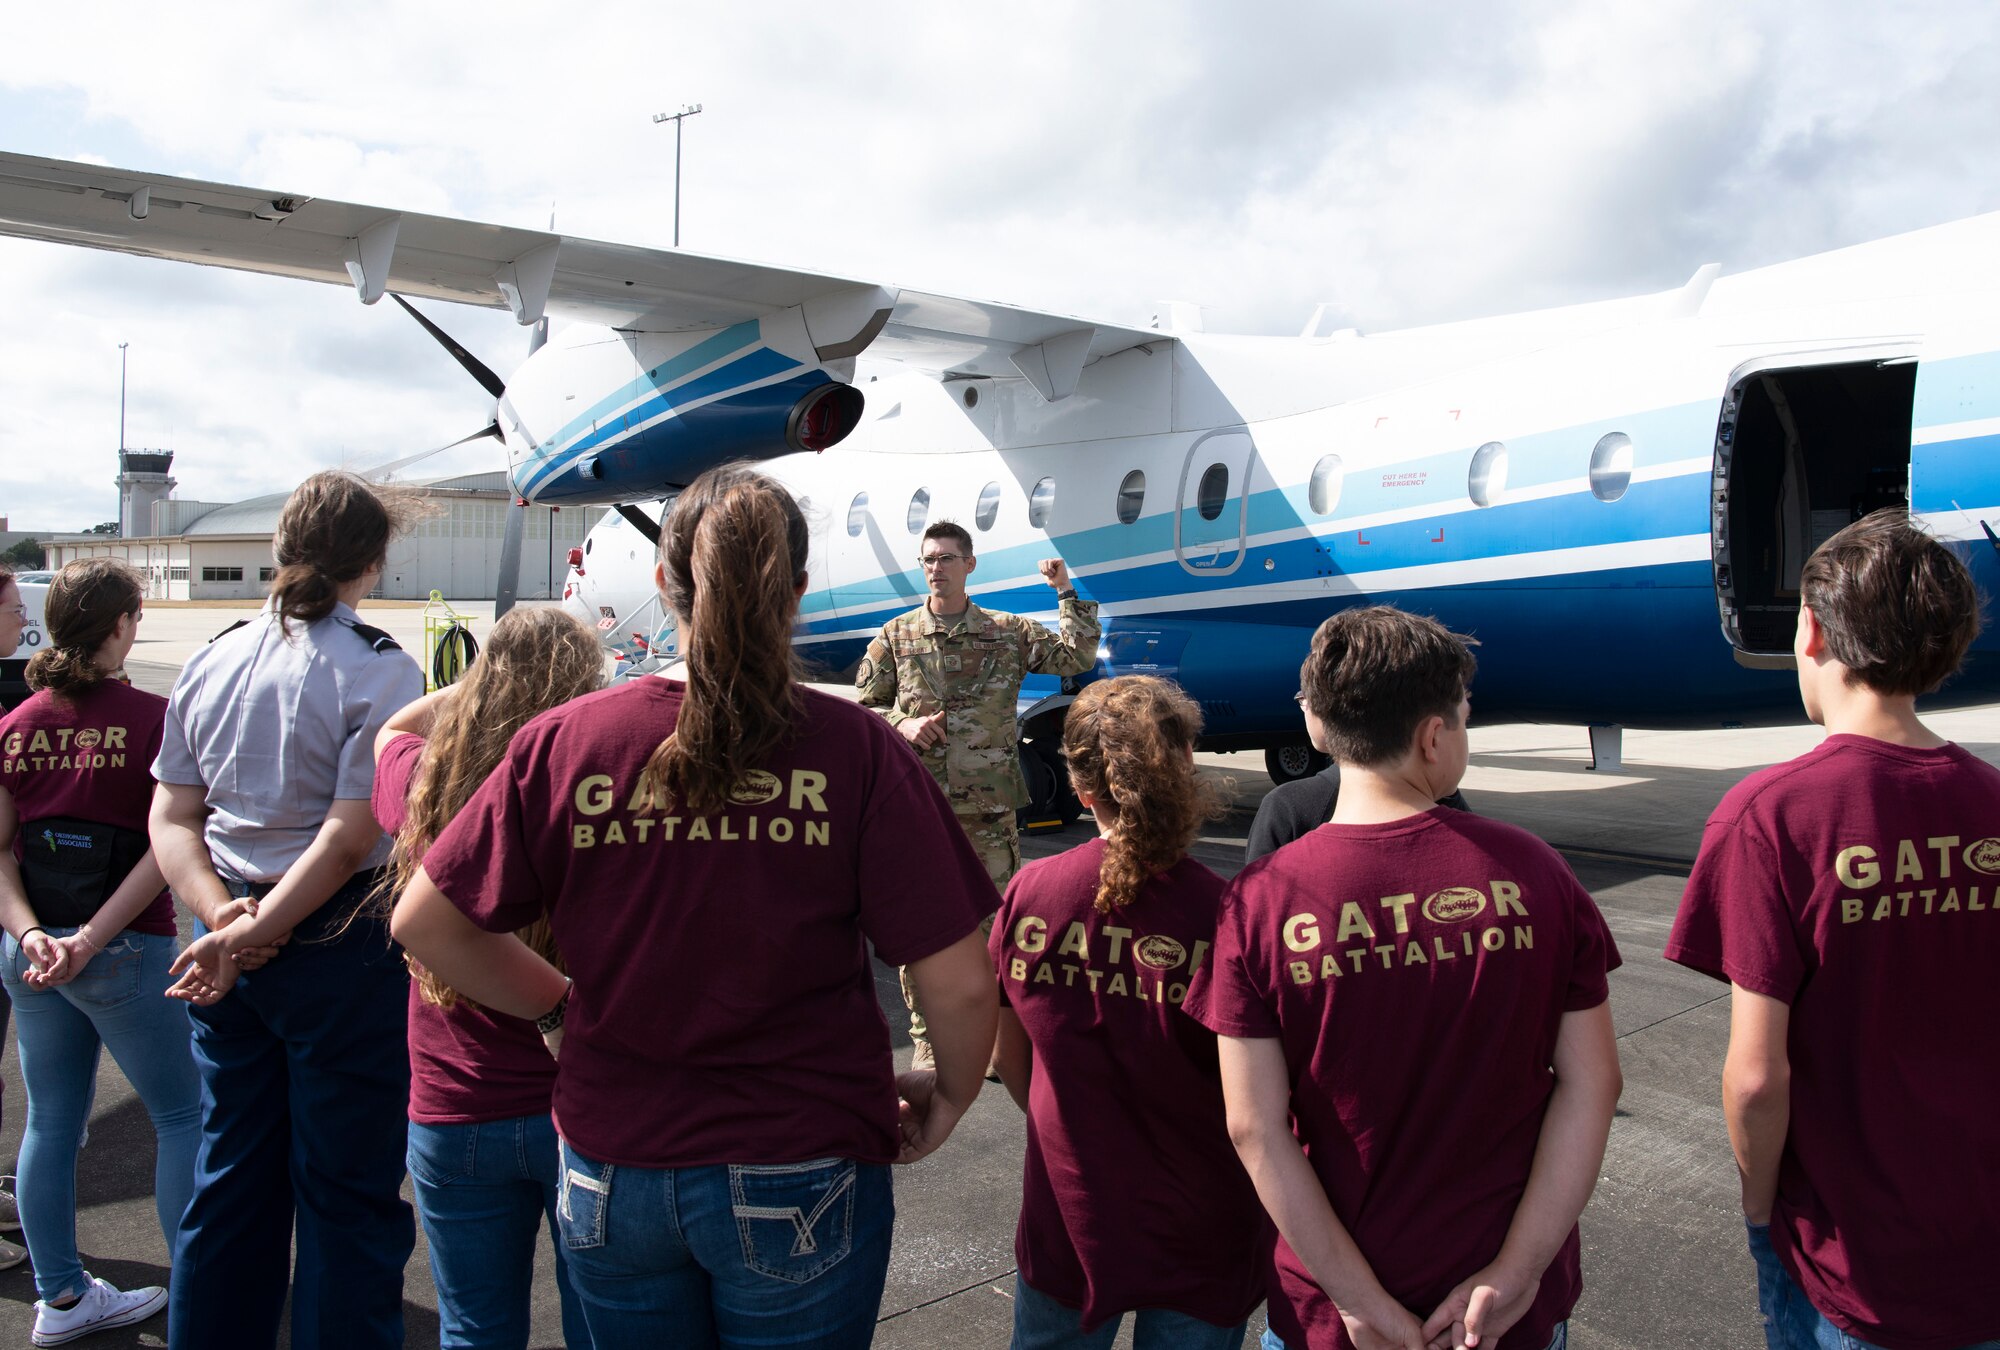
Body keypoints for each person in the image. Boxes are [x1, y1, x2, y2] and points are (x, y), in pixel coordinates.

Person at [392, 465, 1000, 1349]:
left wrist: (561, 1009)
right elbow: (960, 982)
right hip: (801, 1156)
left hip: (615, 1164)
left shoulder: (567, 742)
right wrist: (947, 1095)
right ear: (795, 592)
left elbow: (426, 922)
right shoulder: (856, 751)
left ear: (661, 585)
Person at [1185, 606, 1623, 1350]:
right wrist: (1516, 1273)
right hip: (1501, 1314)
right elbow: (1593, 1084)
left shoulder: (1260, 901)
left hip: (1334, 1317)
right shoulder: (1535, 871)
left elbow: (1254, 1126)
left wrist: (1359, 1304)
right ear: (1432, 736)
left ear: (1319, 730)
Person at [1664, 511, 2000, 1350]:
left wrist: (1757, 1204)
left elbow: (1755, 1075)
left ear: (1812, 631)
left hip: (1851, 1267)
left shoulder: (1772, 817)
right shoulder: (1993, 802)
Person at [149, 471, 423, 1350]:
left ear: (279, 549)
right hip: (333, 942)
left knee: (230, 1182)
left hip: (224, 934)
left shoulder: (211, 658)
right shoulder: (378, 668)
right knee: (346, 1198)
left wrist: (222, 921)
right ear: (372, 563)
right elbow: (348, 840)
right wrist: (256, 932)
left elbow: (172, 815)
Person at [990, 675, 1265, 1350]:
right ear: (1184, 771)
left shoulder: (1032, 892)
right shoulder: (1228, 911)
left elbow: (1008, 1053)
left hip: (1071, 1213)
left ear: (1081, 787)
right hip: (1202, 1224)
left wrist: (1076, 1125)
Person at [371, 606, 603, 1350]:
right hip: (581, 1105)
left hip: (454, 1106)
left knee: (474, 1327)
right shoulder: (593, 789)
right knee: (599, 1318)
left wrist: (478, 688)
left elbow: (392, 733)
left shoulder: (422, 786)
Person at [0, 560, 200, 1343]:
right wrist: (91, 937)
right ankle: (199, 1293)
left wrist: (31, 935)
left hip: (30, 953)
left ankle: (61, 1298)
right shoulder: (154, 717)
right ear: (119, 626)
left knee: (52, 1123)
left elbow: (3, 852)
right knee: (184, 1115)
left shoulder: (15, 725)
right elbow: (165, 847)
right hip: (122, 951)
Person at [857, 520, 1101, 1065]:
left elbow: (1075, 659)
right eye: (927, 560)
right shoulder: (896, 636)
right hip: (919, 811)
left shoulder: (1008, 631)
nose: (935, 568)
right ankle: (928, 1044)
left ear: (969, 565)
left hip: (989, 813)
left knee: (996, 932)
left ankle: (994, 1041)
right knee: (920, 931)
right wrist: (902, 723)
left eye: (946, 558)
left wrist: (1065, 592)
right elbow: (865, 708)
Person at [1246, 686, 1471, 865]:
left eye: (1304, 698)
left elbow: (1256, 908)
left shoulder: (1287, 808)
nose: (1303, 707)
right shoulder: (1456, 814)